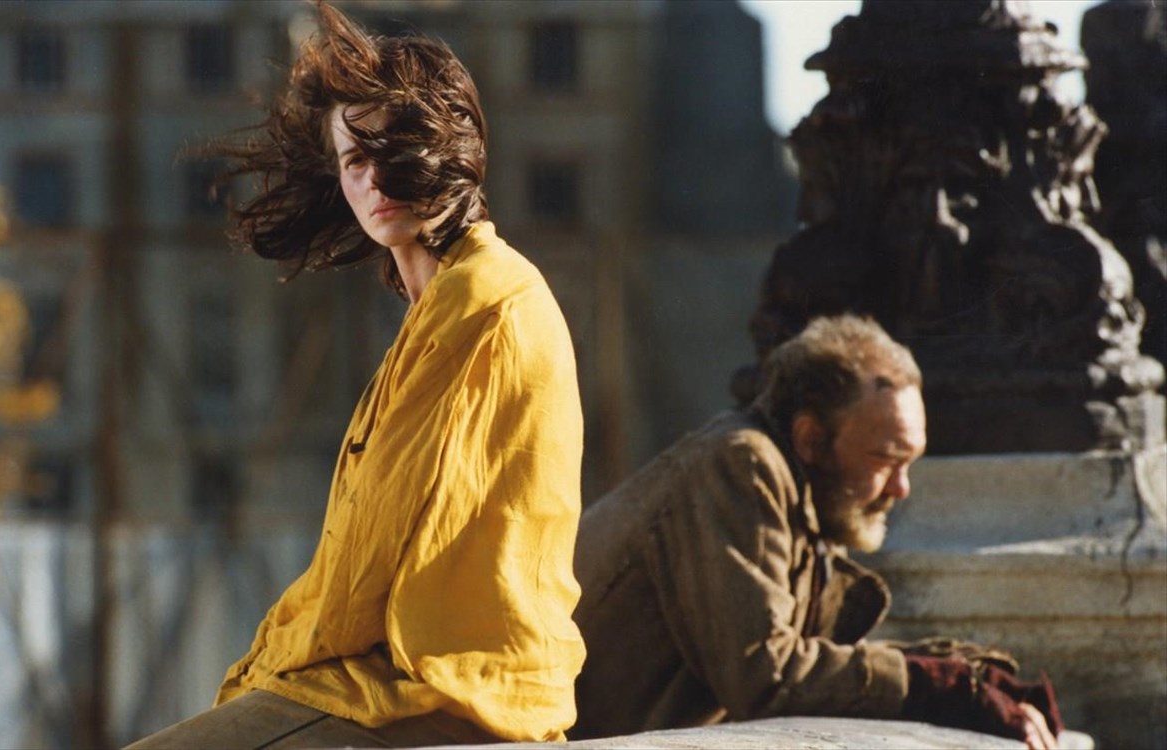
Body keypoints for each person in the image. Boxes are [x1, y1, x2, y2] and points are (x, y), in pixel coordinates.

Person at [128, 3, 584, 748]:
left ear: (451, 152)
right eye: (354, 161)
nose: (375, 180)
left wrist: (261, 670)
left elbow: (366, 562)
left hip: (432, 695)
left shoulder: (480, 299)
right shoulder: (459, 295)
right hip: (443, 683)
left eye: (394, 151)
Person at [569, 315, 1064, 750]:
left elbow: (804, 664)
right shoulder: (740, 463)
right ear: (810, 438)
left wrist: (955, 674)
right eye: (885, 459)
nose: (901, 488)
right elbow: (768, 676)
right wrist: (938, 684)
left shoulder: (797, 491)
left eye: (909, 463)